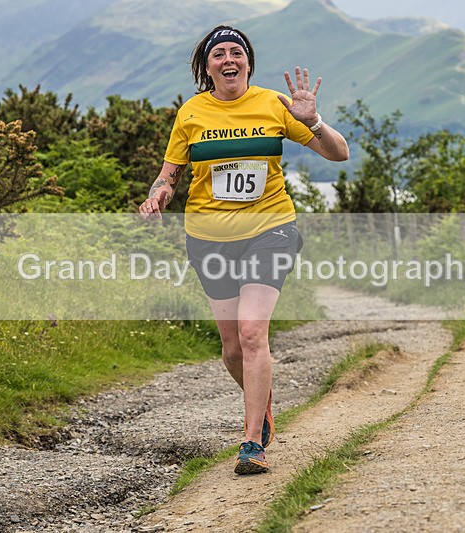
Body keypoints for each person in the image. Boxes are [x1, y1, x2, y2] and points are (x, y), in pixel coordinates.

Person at [139, 25, 348, 474]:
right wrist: (157, 196)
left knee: (252, 332)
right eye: (219, 54)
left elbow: (339, 153)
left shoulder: (275, 105)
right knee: (233, 348)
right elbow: (169, 175)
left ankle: (252, 442)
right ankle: (263, 404)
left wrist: (313, 121)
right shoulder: (191, 113)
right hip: (208, 237)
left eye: (236, 52)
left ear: (249, 63)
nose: (228, 59)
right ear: (207, 66)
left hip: (270, 229)